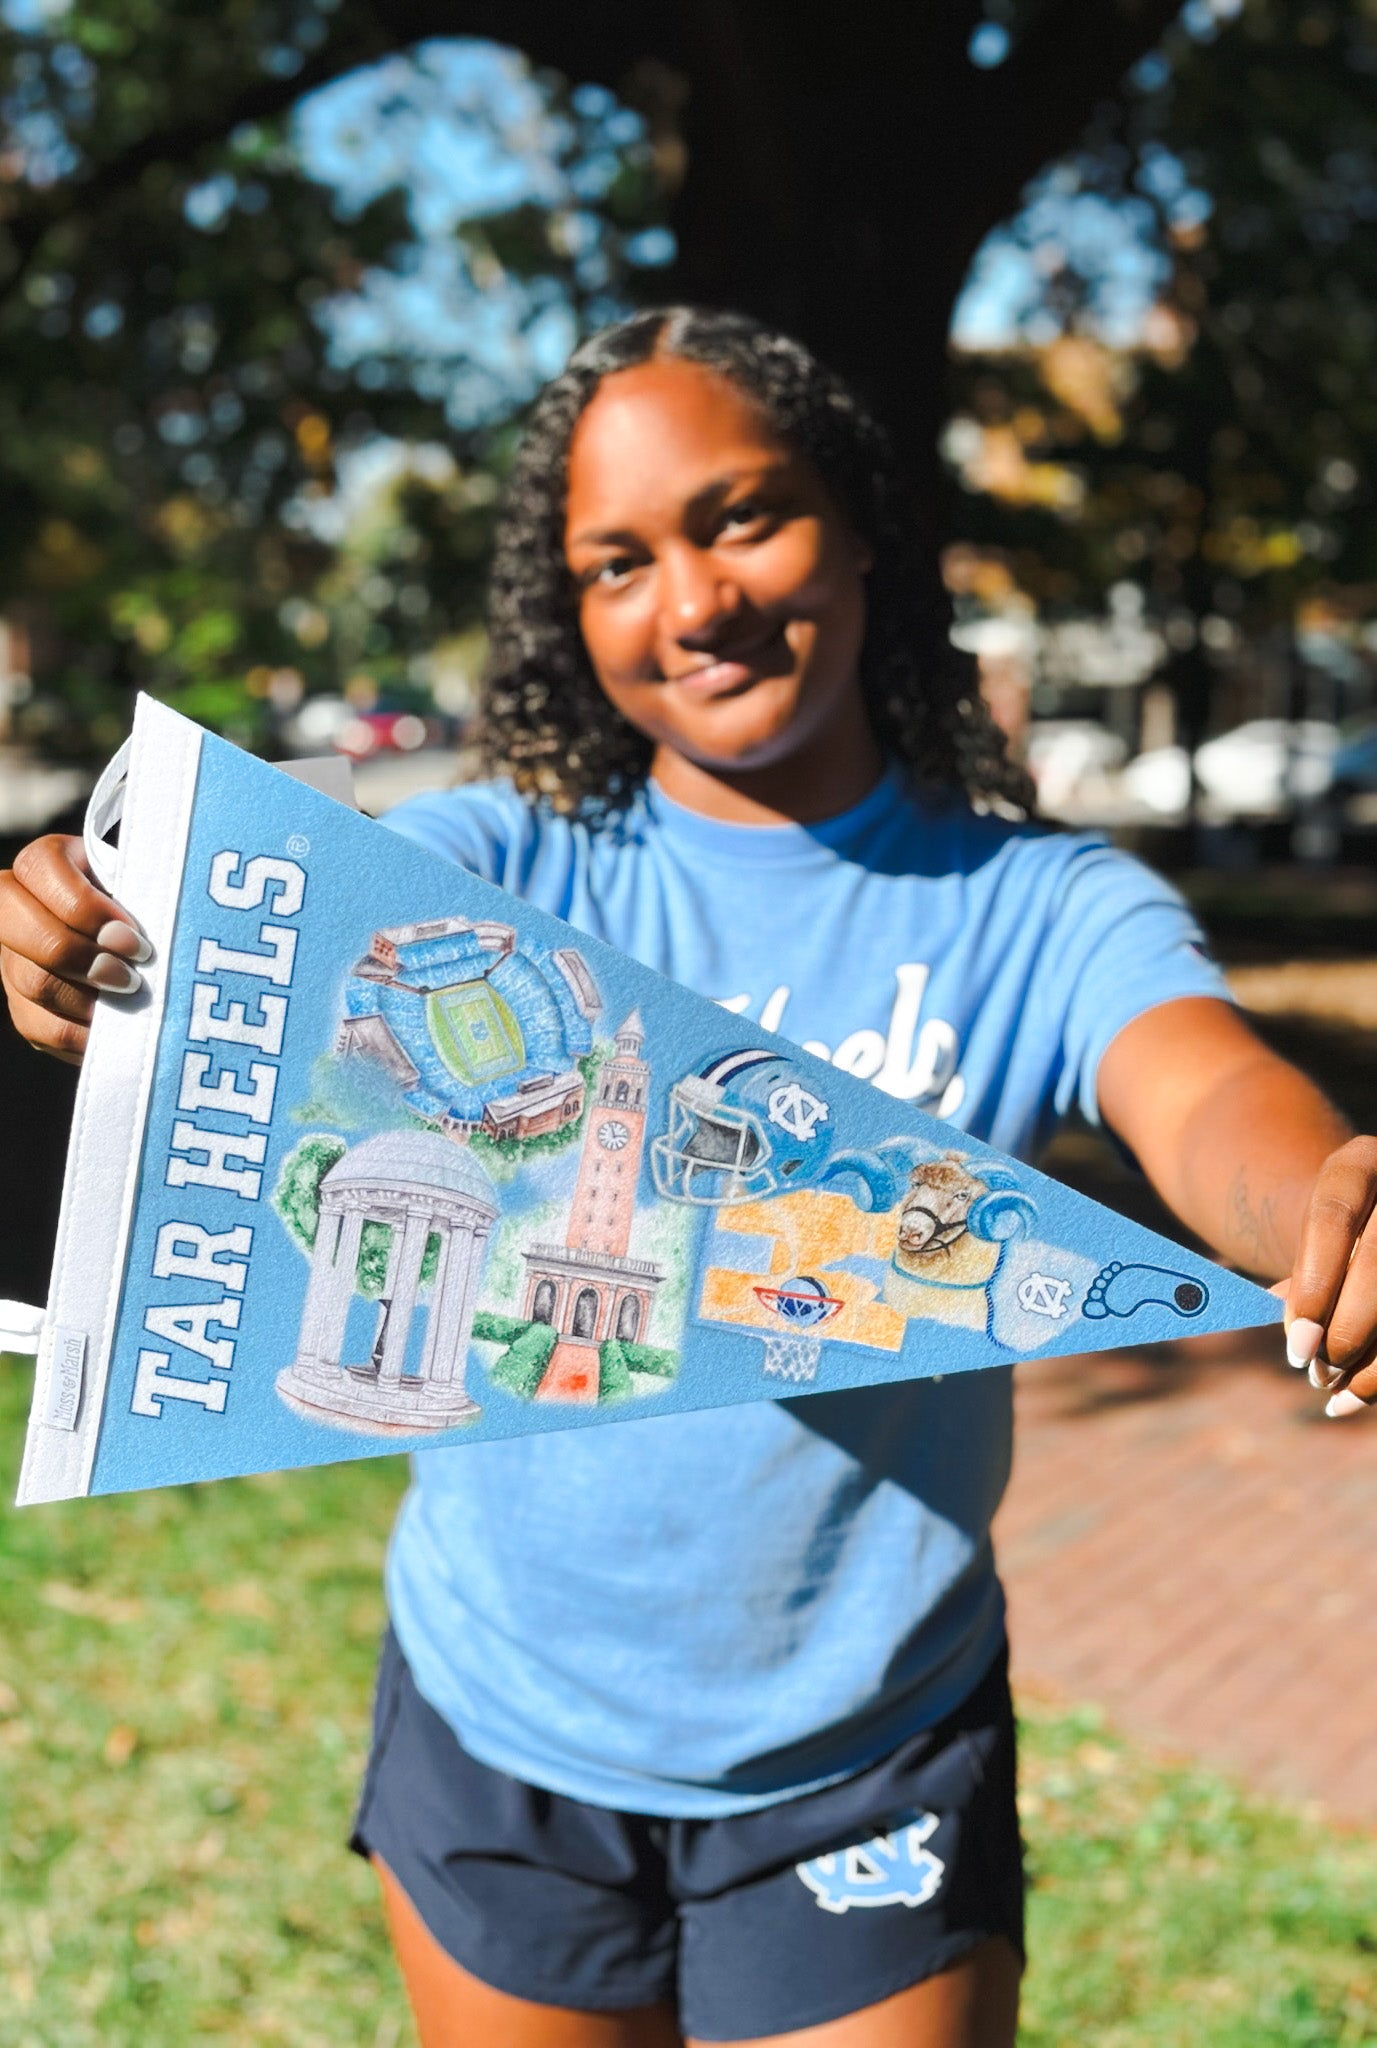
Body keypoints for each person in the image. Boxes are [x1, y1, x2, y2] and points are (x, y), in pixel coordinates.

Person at [2, 308, 1374, 2048]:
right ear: (564, 613)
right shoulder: (495, 871)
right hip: (497, 1730)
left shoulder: (1039, 907)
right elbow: (270, 952)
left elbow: (1207, 1096)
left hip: (869, 1752)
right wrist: (91, 946)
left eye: (743, 517)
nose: (696, 601)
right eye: (616, 561)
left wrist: (1324, 1192)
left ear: (863, 527)